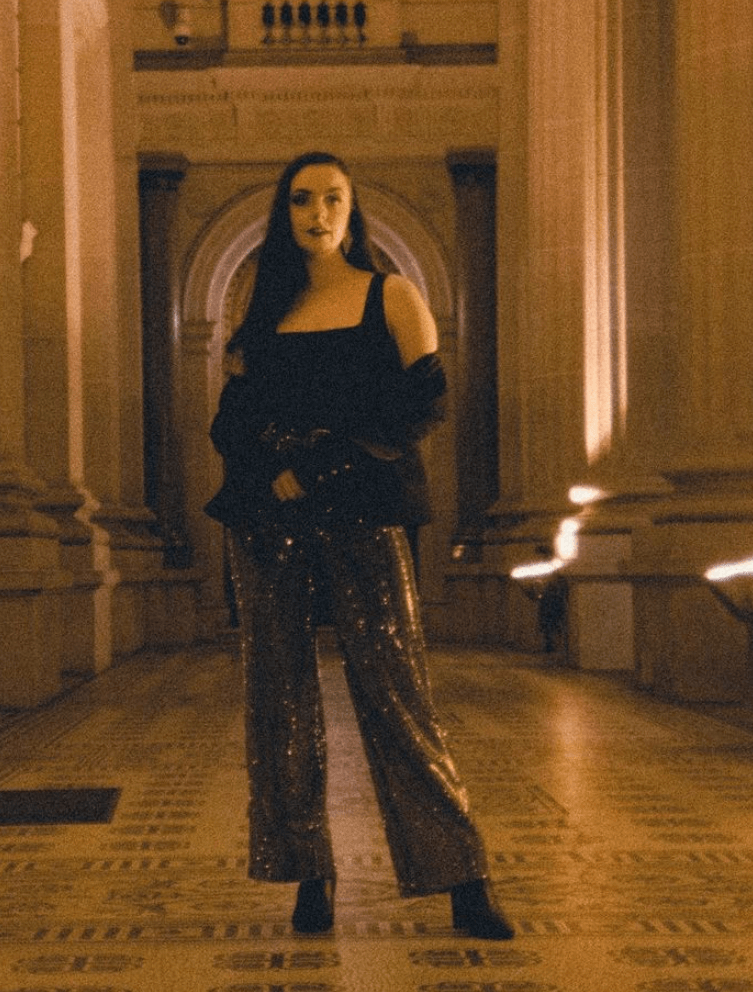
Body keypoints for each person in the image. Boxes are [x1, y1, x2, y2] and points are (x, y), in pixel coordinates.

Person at [204, 150, 514, 939]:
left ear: (352, 209)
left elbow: (422, 406)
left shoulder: (392, 294)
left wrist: (321, 464)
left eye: (333, 198)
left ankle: (463, 876)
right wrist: (273, 466)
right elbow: (231, 421)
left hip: (363, 511)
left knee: (395, 688)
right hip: (269, 523)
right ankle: (310, 874)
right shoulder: (262, 313)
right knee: (279, 702)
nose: (318, 213)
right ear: (285, 212)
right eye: (302, 199)